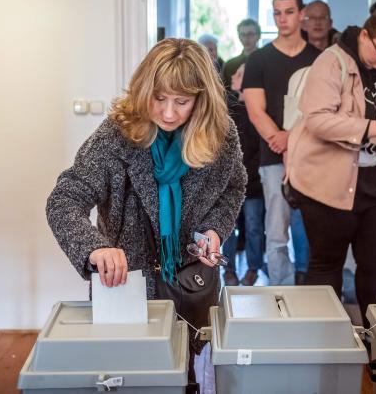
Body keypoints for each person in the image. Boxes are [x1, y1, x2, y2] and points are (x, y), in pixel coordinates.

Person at [46, 38, 246, 392]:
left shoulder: (220, 135)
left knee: (189, 376)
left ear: (201, 100)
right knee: (132, 379)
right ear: (143, 91)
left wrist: (214, 231)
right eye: (159, 99)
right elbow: (64, 199)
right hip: (126, 288)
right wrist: (95, 248)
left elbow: (233, 187)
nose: (169, 113)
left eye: (182, 102)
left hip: (193, 285)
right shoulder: (116, 135)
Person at [286, 1, 376, 327]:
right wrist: (374, 128)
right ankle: (324, 349)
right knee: (327, 266)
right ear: (365, 35)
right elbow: (317, 121)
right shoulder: (331, 63)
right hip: (330, 186)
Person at [242, 0, 320, 285]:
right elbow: (255, 110)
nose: (282, 19)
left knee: (311, 226)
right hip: (272, 156)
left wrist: (293, 138)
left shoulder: (319, 58)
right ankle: (282, 291)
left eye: (289, 12)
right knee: (276, 229)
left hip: (313, 155)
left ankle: (312, 291)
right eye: (277, 12)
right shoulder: (260, 59)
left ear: (301, 15)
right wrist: (280, 139)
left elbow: (324, 109)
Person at [222, 64, 265, 286]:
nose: (240, 77)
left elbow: (261, 146)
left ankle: (253, 268)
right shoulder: (225, 107)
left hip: (254, 181)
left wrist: (250, 172)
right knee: (227, 228)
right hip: (228, 181)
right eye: (239, 74)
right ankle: (228, 270)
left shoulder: (258, 108)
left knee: (254, 226)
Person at [221, 19, 261, 89]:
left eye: (250, 34)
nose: (246, 38)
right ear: (239, 37)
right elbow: (224, 92)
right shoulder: (229, 65)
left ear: (258, 36)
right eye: (243, 34)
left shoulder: (267, 62)